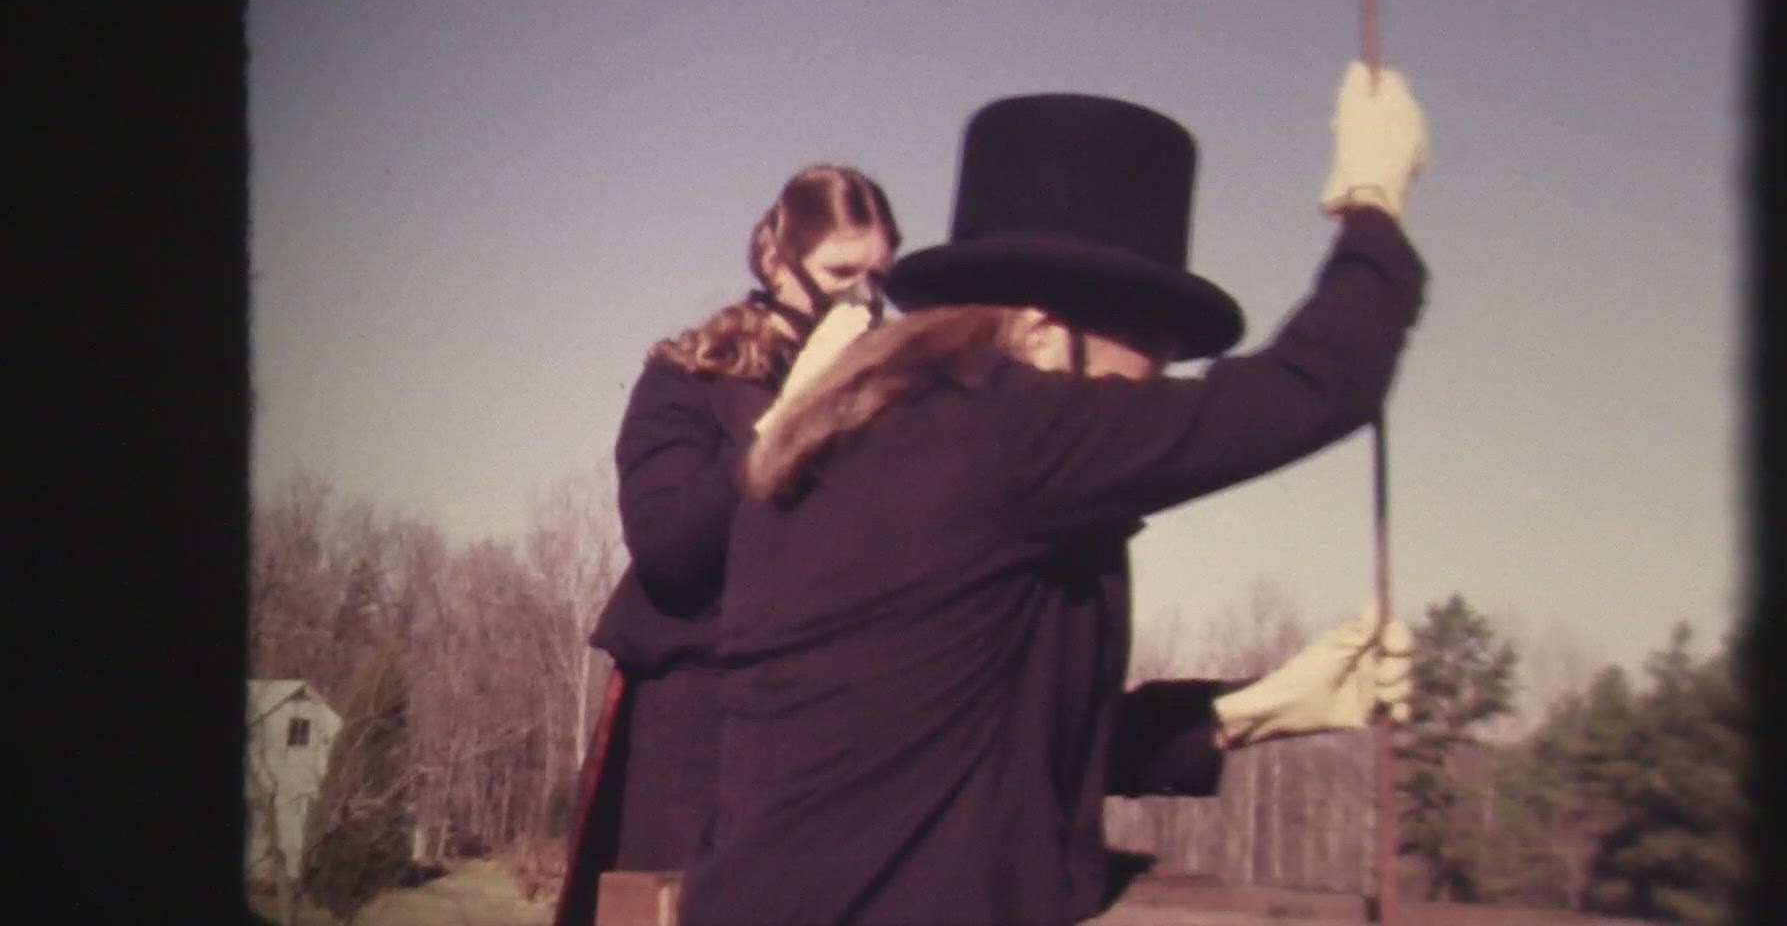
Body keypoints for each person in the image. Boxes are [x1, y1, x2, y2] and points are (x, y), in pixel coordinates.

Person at [677, 63, 1430, 926]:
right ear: (1038, 333)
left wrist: (1263, 708)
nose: (1145, 396)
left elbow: (980, 740)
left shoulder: (873, 440)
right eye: (1142, 357)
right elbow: (1314, 389)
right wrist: (1373, 204)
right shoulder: (999, 436)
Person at [552, 163, 901, 926]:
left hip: (833, 724)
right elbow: (671, 554)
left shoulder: (885, 402)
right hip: (699, 722)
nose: (862, 302)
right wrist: (790, 411)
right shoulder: (688, 378)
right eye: (841, 274)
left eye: (878, 279)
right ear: (777, 260)